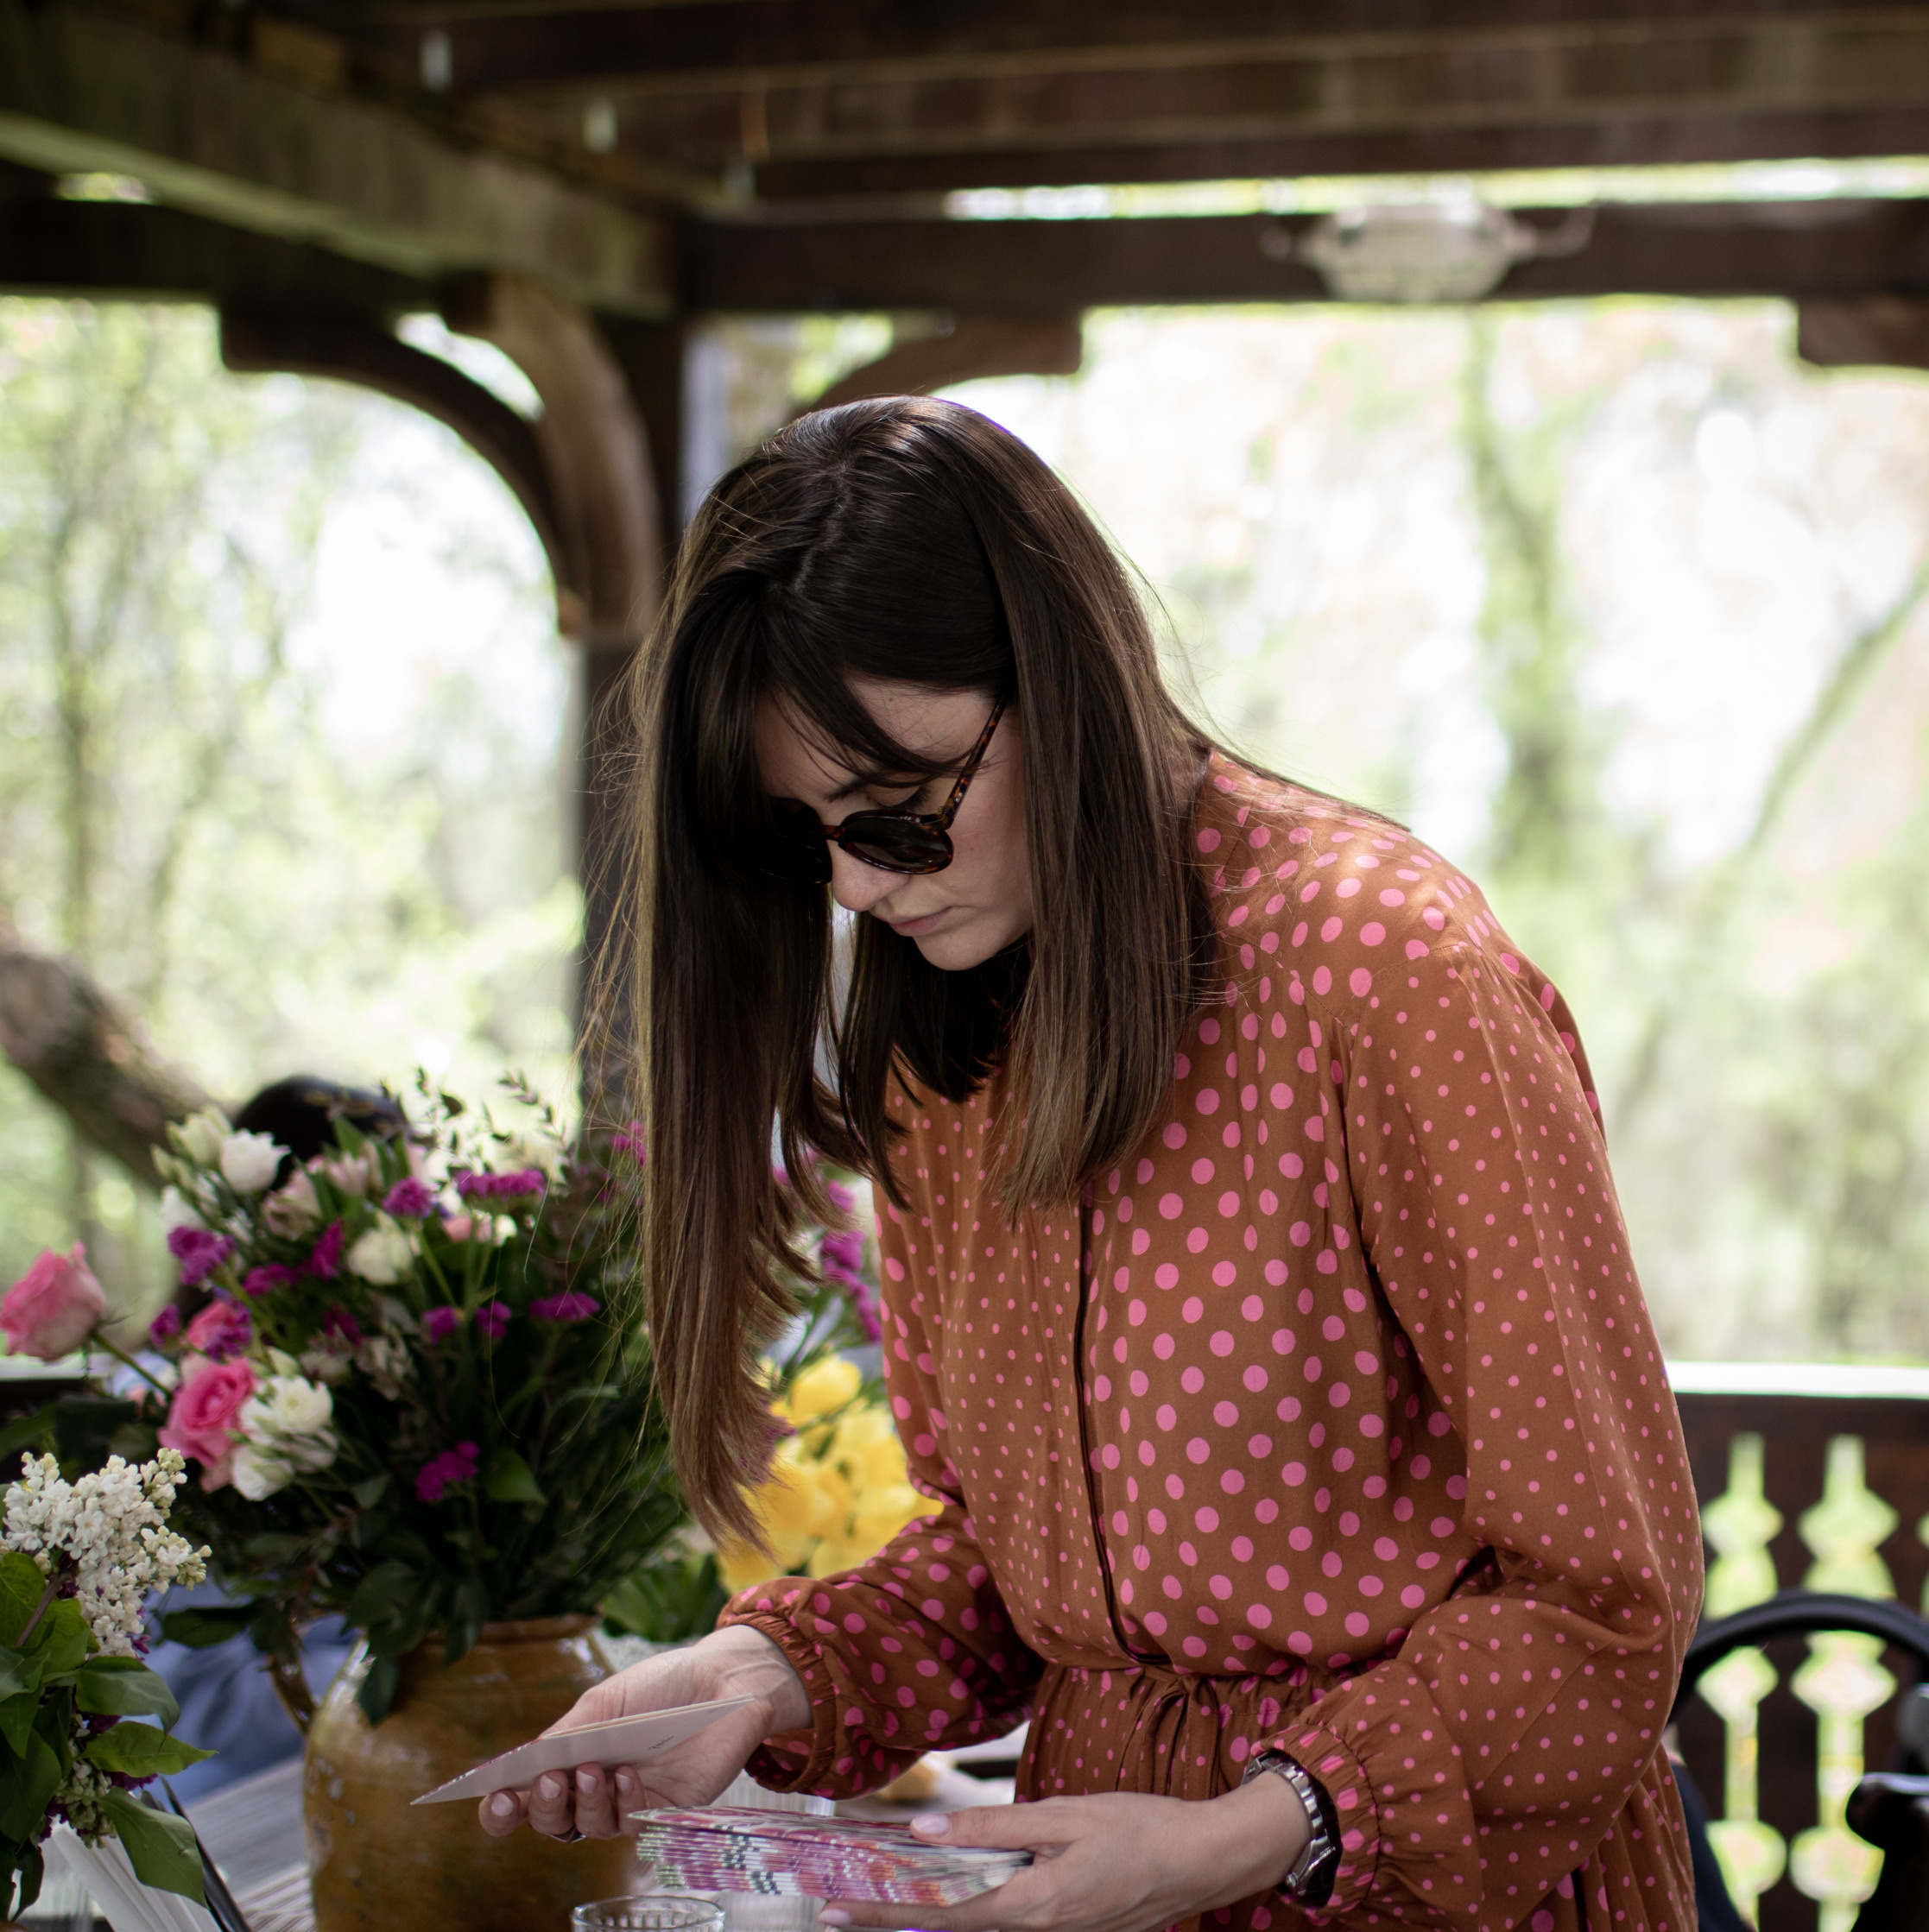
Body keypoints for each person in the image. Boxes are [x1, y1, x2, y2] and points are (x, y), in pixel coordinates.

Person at [480, 397, 1702, 1932]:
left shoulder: (1382, 974)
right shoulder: (946, 1046)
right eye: (807, 845)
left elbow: (1605, 1604)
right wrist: (768, 1668)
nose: (858, 890)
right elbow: (1014, 1572)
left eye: (902, 816)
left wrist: (1250, 1831)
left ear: (1054, 683)